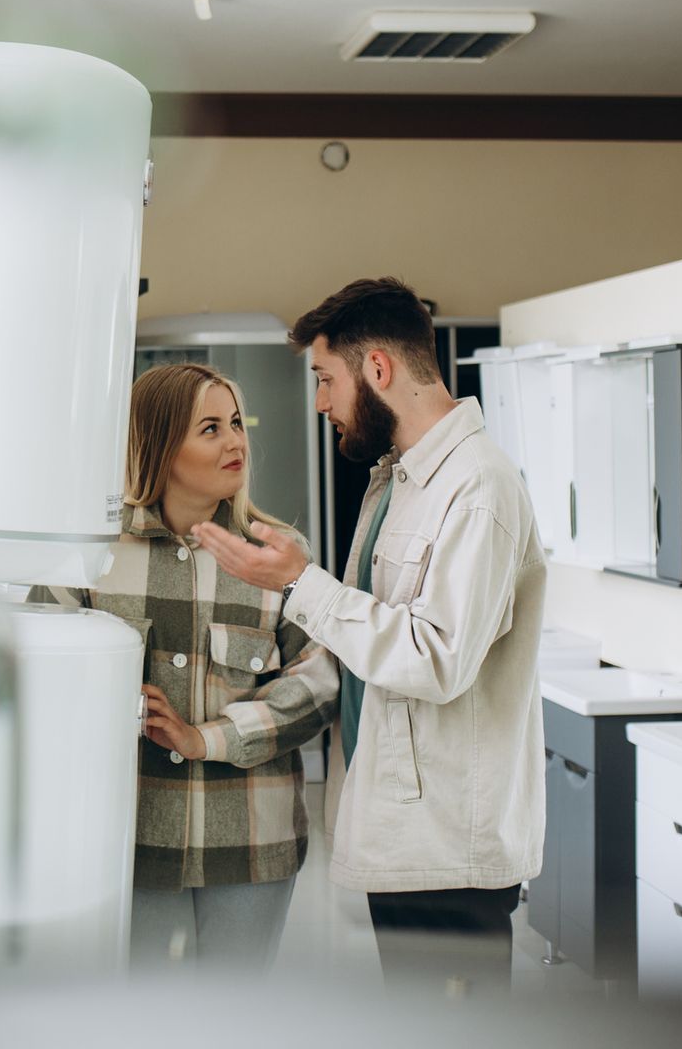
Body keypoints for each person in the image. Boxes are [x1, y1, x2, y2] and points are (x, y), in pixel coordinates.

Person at [193, 278, 546, 994]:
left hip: (451, 851)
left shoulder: (479, 488)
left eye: (326, 379)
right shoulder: (399, 482)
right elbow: (363, 647)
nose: (320, 401)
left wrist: (300, 584)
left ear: (378, 369)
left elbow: (437, 659)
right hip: (405, 838)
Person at [31, 363, 338, 970]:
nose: (236, 441)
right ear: (160, 444)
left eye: (235, 423)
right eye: (210, 428)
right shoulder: (86, 555)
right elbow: (40, 680)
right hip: (129, 844)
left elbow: (320, 685)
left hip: (250, 846)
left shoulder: (277, 553)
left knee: (232, 1025)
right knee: (149, 1023)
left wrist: (206, 738)